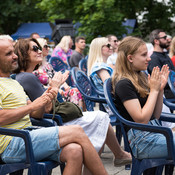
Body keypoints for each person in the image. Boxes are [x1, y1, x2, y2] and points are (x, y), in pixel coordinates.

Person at [13, 38, 132, 171]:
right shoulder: (28, 77)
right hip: (52, 123)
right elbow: (44, 109)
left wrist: (55, 88)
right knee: (100, 119)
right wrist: (55, 88)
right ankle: (117, 156)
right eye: (35, 48)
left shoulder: (25, 76)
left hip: (51, 121)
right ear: (23, 53)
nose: (40, 50)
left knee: (100, 120)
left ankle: (116, 156)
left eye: (40, 47)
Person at [112, 36, 174, 175]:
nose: (149, 58)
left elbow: (155, 115)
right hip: (142, 141)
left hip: (154, 132)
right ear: (130, 58)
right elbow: (141, 119)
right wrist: (153, 90)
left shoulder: (140, 77)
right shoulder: (124, 84)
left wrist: (160, 90)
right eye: (144, 55)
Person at [33, 38, 85, 109]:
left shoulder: (47, 65)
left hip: (57, 90)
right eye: (45, 46)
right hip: (48, 95)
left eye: (48, 46)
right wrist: (56, 90)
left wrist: (65, 86)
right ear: (40, 47)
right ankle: (76, 114)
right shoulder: (34, 67)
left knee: (76, 91)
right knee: (74, 92)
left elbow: (56, 76)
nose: (48, 48)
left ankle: (78, 113)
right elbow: (38, 86)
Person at [87, 37, 114, 114]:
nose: (111, 47)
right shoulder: (100, 67)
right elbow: (111, 85)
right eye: (108, 45)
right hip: (112, 104)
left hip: (110, 101)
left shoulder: (100, 65)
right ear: (99, 49)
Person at [147, 29, 175, 99]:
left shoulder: (165, 55)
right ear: (156, 41)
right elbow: (160, 82)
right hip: (168, 95)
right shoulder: (153, 59)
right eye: (164, 37)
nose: (167, 39)